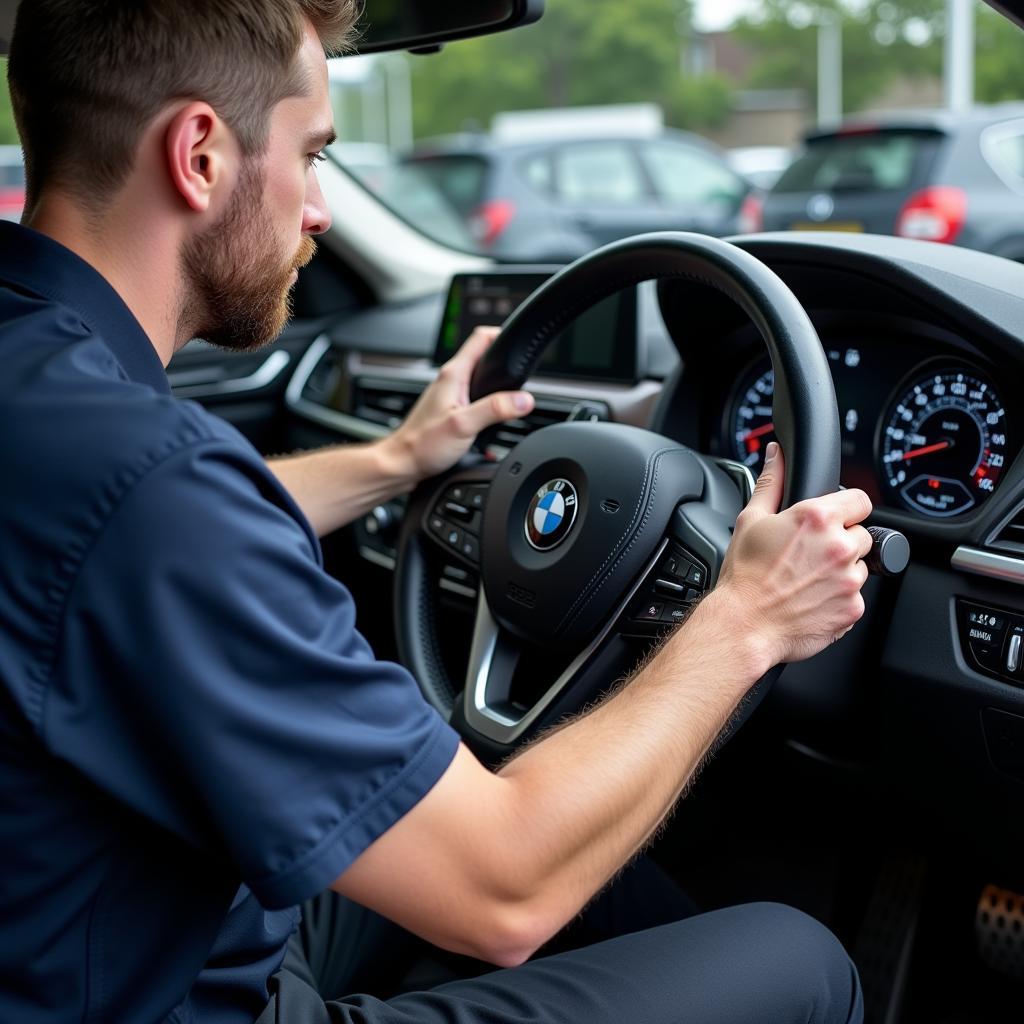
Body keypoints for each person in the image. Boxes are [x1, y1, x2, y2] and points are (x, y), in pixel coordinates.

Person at [0, 2, 872, 1022]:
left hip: (129, 922)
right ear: (198, 154)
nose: (319, 208)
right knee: (799, 957)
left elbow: (114, 549)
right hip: (183, 997)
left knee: (497, 787)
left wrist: (394, 460)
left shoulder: (55, 402)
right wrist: (747, 617)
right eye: (312, 154)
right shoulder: (153, 489)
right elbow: (502, 891)